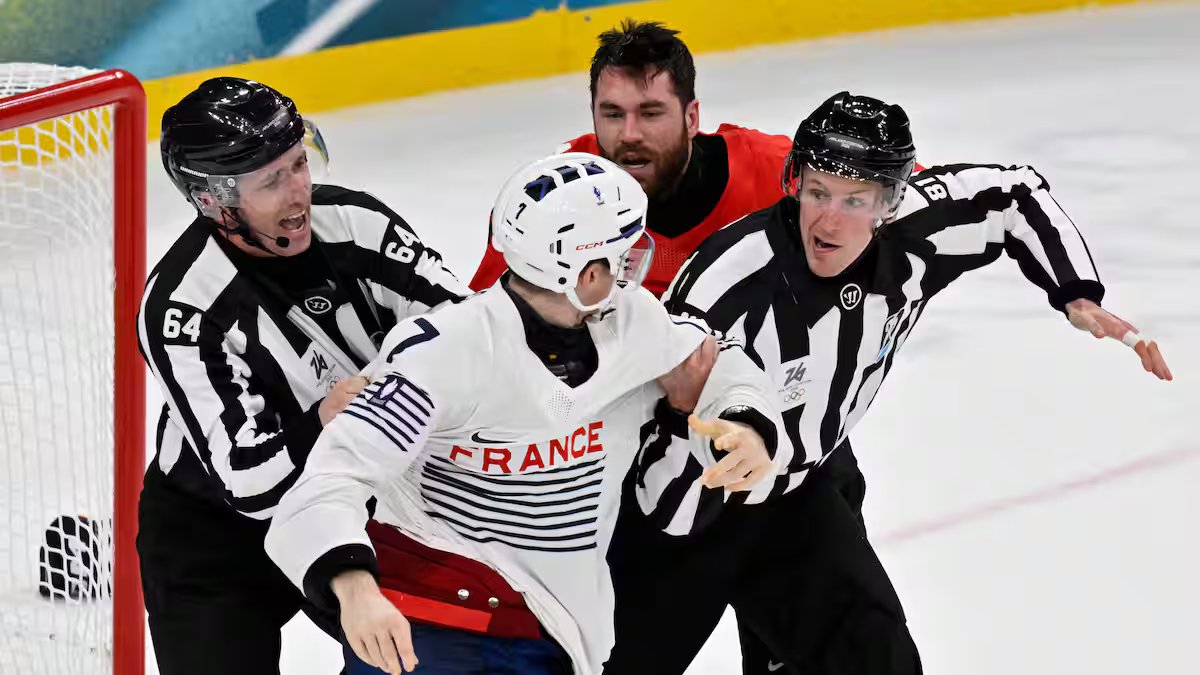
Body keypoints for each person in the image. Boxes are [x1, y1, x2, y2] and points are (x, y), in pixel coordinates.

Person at [603, 91, 1173, 675]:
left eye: (856, 200)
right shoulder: (729, 281)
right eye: (819, 192)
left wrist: (1075, 289)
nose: (829, 218)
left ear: (891, 202)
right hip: (678, 519)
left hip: (794, 501)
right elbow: (661, 451)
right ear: (794, 181)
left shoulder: (915, 235)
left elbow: (1012, 194)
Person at [264, 152, 788, 675]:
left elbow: (714, 360)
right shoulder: (445, 354)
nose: (634, 266)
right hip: (429, 622)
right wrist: (354, 589)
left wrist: (745, 420)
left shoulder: (630, 323)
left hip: (553, 628)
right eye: (623, 253)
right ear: (585, 275)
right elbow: (330, 479)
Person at [136, 77, 470, 675]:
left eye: (298, 164)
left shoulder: (357, 224)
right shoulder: (182, 306)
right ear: (215, 202)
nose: (299, 193)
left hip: (350, 500)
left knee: (424, 658)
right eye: (270, 181)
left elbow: (473, 332)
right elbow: (249, 481)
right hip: (213, 537)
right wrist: (324, 419)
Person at [469, 20, 793, 296]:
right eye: (613, 114)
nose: (630, 134)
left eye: (650, 113)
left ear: (691, 118)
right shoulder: (548, 200)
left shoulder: (775, 173)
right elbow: (491, 326)